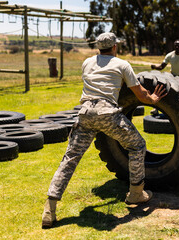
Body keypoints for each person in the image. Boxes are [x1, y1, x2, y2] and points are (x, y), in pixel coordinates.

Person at [42, 32, 167, 229]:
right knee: (137, 145)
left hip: (85, 113)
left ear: (98, 47)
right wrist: (152, 99)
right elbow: (139, 93)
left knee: (70, 158)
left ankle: (50, 209)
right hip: (107, 113)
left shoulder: (87, 62)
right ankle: (136, 193)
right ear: (115, 47)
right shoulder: (122, 64)